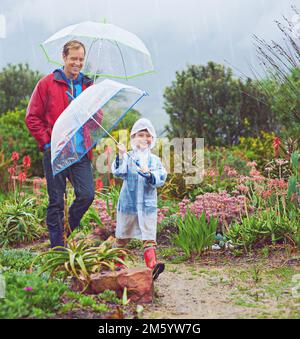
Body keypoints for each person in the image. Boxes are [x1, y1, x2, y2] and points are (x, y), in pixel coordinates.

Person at [25, 40, 95, 248]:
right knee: (56, 201)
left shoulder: (88, 85)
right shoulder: (47, 83)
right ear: (64, 57)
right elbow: (32, 117)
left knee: (86, 195)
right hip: (55, 152)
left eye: (81, 59)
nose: (77, 63)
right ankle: (58, 248)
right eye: (73, 58)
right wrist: (47, 144)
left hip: (80, 152)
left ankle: (65, 231)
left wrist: (93, 113)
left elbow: (95, 118)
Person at [111, 118, 167, 280]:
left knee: (149, 235)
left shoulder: (155, 160)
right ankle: (117, 263)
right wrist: (121, 155)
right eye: (140, 135)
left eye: (147, 135)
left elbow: (161, 176)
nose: (144, 138)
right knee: (123, 234)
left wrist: (150, 174)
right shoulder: (128, 157)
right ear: (133, 138)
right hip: (128, 203)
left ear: (152, 139)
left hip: (147, 205)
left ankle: (152, 266)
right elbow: (119, 173)